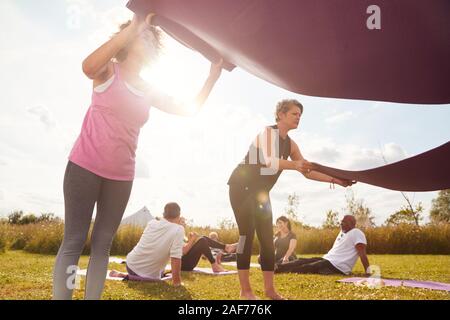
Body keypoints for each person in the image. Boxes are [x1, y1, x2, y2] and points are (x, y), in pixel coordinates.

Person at [52, 13, 223, 300]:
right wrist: (134, 26)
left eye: (153, 38)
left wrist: (211, 77)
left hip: (121, 175)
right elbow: (87, 66)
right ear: (131, 38)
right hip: (84, 166)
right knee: (74, 241)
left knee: (102, 244)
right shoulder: (108, 71)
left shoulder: (148, 89)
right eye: (145, 35)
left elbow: (188, 108)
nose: (150, 41)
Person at [227, 99, 356, 300]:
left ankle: (270, 291)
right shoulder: (267, 133)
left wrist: (337, 180)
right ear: (280, 114)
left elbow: (307, 171)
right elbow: (270, 160)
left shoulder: (291, 144)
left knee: (268, 242)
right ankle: (245, 292)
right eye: (294, 114)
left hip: (261, 192)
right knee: (246, 236)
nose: (298, 118)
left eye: (300, 115)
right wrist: (296, 164)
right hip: (241, 187)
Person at [275, 215, 371, 276]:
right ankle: (277, 266)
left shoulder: (356, 233)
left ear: (352, 224)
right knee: (301, 260)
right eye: (341, 222)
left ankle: (278, 269)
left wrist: (368, 271)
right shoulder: (342, 232)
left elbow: (362, 253)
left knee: (307, 267)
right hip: (327, 259)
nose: (341, 224)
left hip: (337, 266)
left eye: (344, 222)